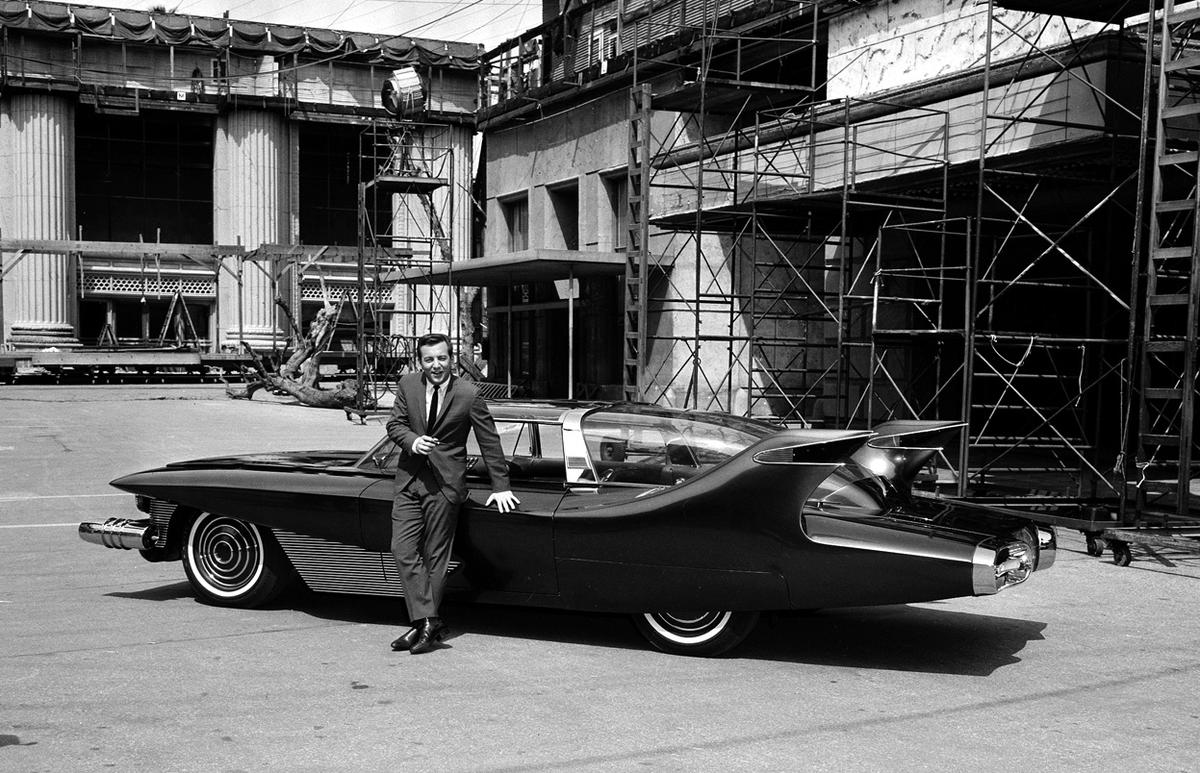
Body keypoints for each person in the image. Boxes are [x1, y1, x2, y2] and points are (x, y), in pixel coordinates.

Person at [386, 333, 519, 654]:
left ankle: (421, 625)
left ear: (451, 359)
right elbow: (395, 425)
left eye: (442, 358)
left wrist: (501, 486)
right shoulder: (408, 385)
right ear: (420, 361)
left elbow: (489, 440)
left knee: (436, 557)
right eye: (429, 359)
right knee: (402, 550)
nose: (436, 365)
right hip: (409, 480)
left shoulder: (469, 393)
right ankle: (428, 621)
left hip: (445, 485)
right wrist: (413, 441)